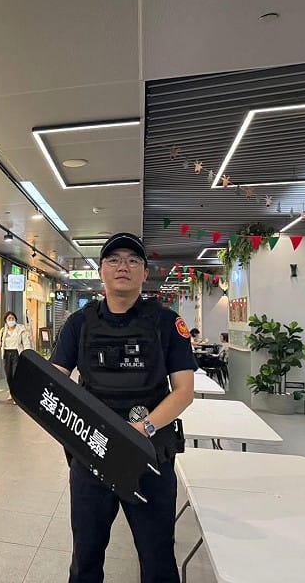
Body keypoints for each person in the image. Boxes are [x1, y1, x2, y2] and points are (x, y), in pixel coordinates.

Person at [49, 232, 195, 583]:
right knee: (85, 558)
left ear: (145, 272)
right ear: (101, 270)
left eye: (132, 260)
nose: (123, 267)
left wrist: (143, 428)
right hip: (93, 457)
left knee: (158, 560)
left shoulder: (166, 323)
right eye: (114, 260)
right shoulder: (79, 324)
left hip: (149, 457)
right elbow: (54, 383)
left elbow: (184, 392)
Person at [0, 311, 32, 386]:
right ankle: (11, 389)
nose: (11, 320)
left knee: (16, 373)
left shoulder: (21, 330)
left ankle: (15, 390)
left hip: (16, 353)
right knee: (8, 374)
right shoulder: (3, 331)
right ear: (6, 320)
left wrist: (27, 353)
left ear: (15, 319)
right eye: (9, 318)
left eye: (12, 318)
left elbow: (26, 342)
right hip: (6, 354)